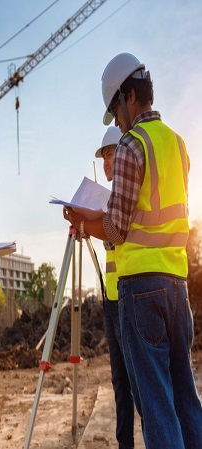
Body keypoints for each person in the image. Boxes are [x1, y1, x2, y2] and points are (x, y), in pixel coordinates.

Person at [63, 53, 202, 449]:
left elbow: (116, 228)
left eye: (115, 110)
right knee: (186, 401)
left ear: (128, 96)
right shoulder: (177, 144)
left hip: (141, 291)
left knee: (156, 407)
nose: (117, 121)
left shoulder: (130, 145)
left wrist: (82, 221)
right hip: (177, 286)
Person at [96, 126, 134, 449]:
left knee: (137, 381)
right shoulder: (108, 197)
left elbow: (115, 236)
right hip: (111, 299)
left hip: (129, 298)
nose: (107, 162)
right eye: (105, 157)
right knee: (119, 381)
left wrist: (88, 223)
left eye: (109, 154)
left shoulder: (121, 195)